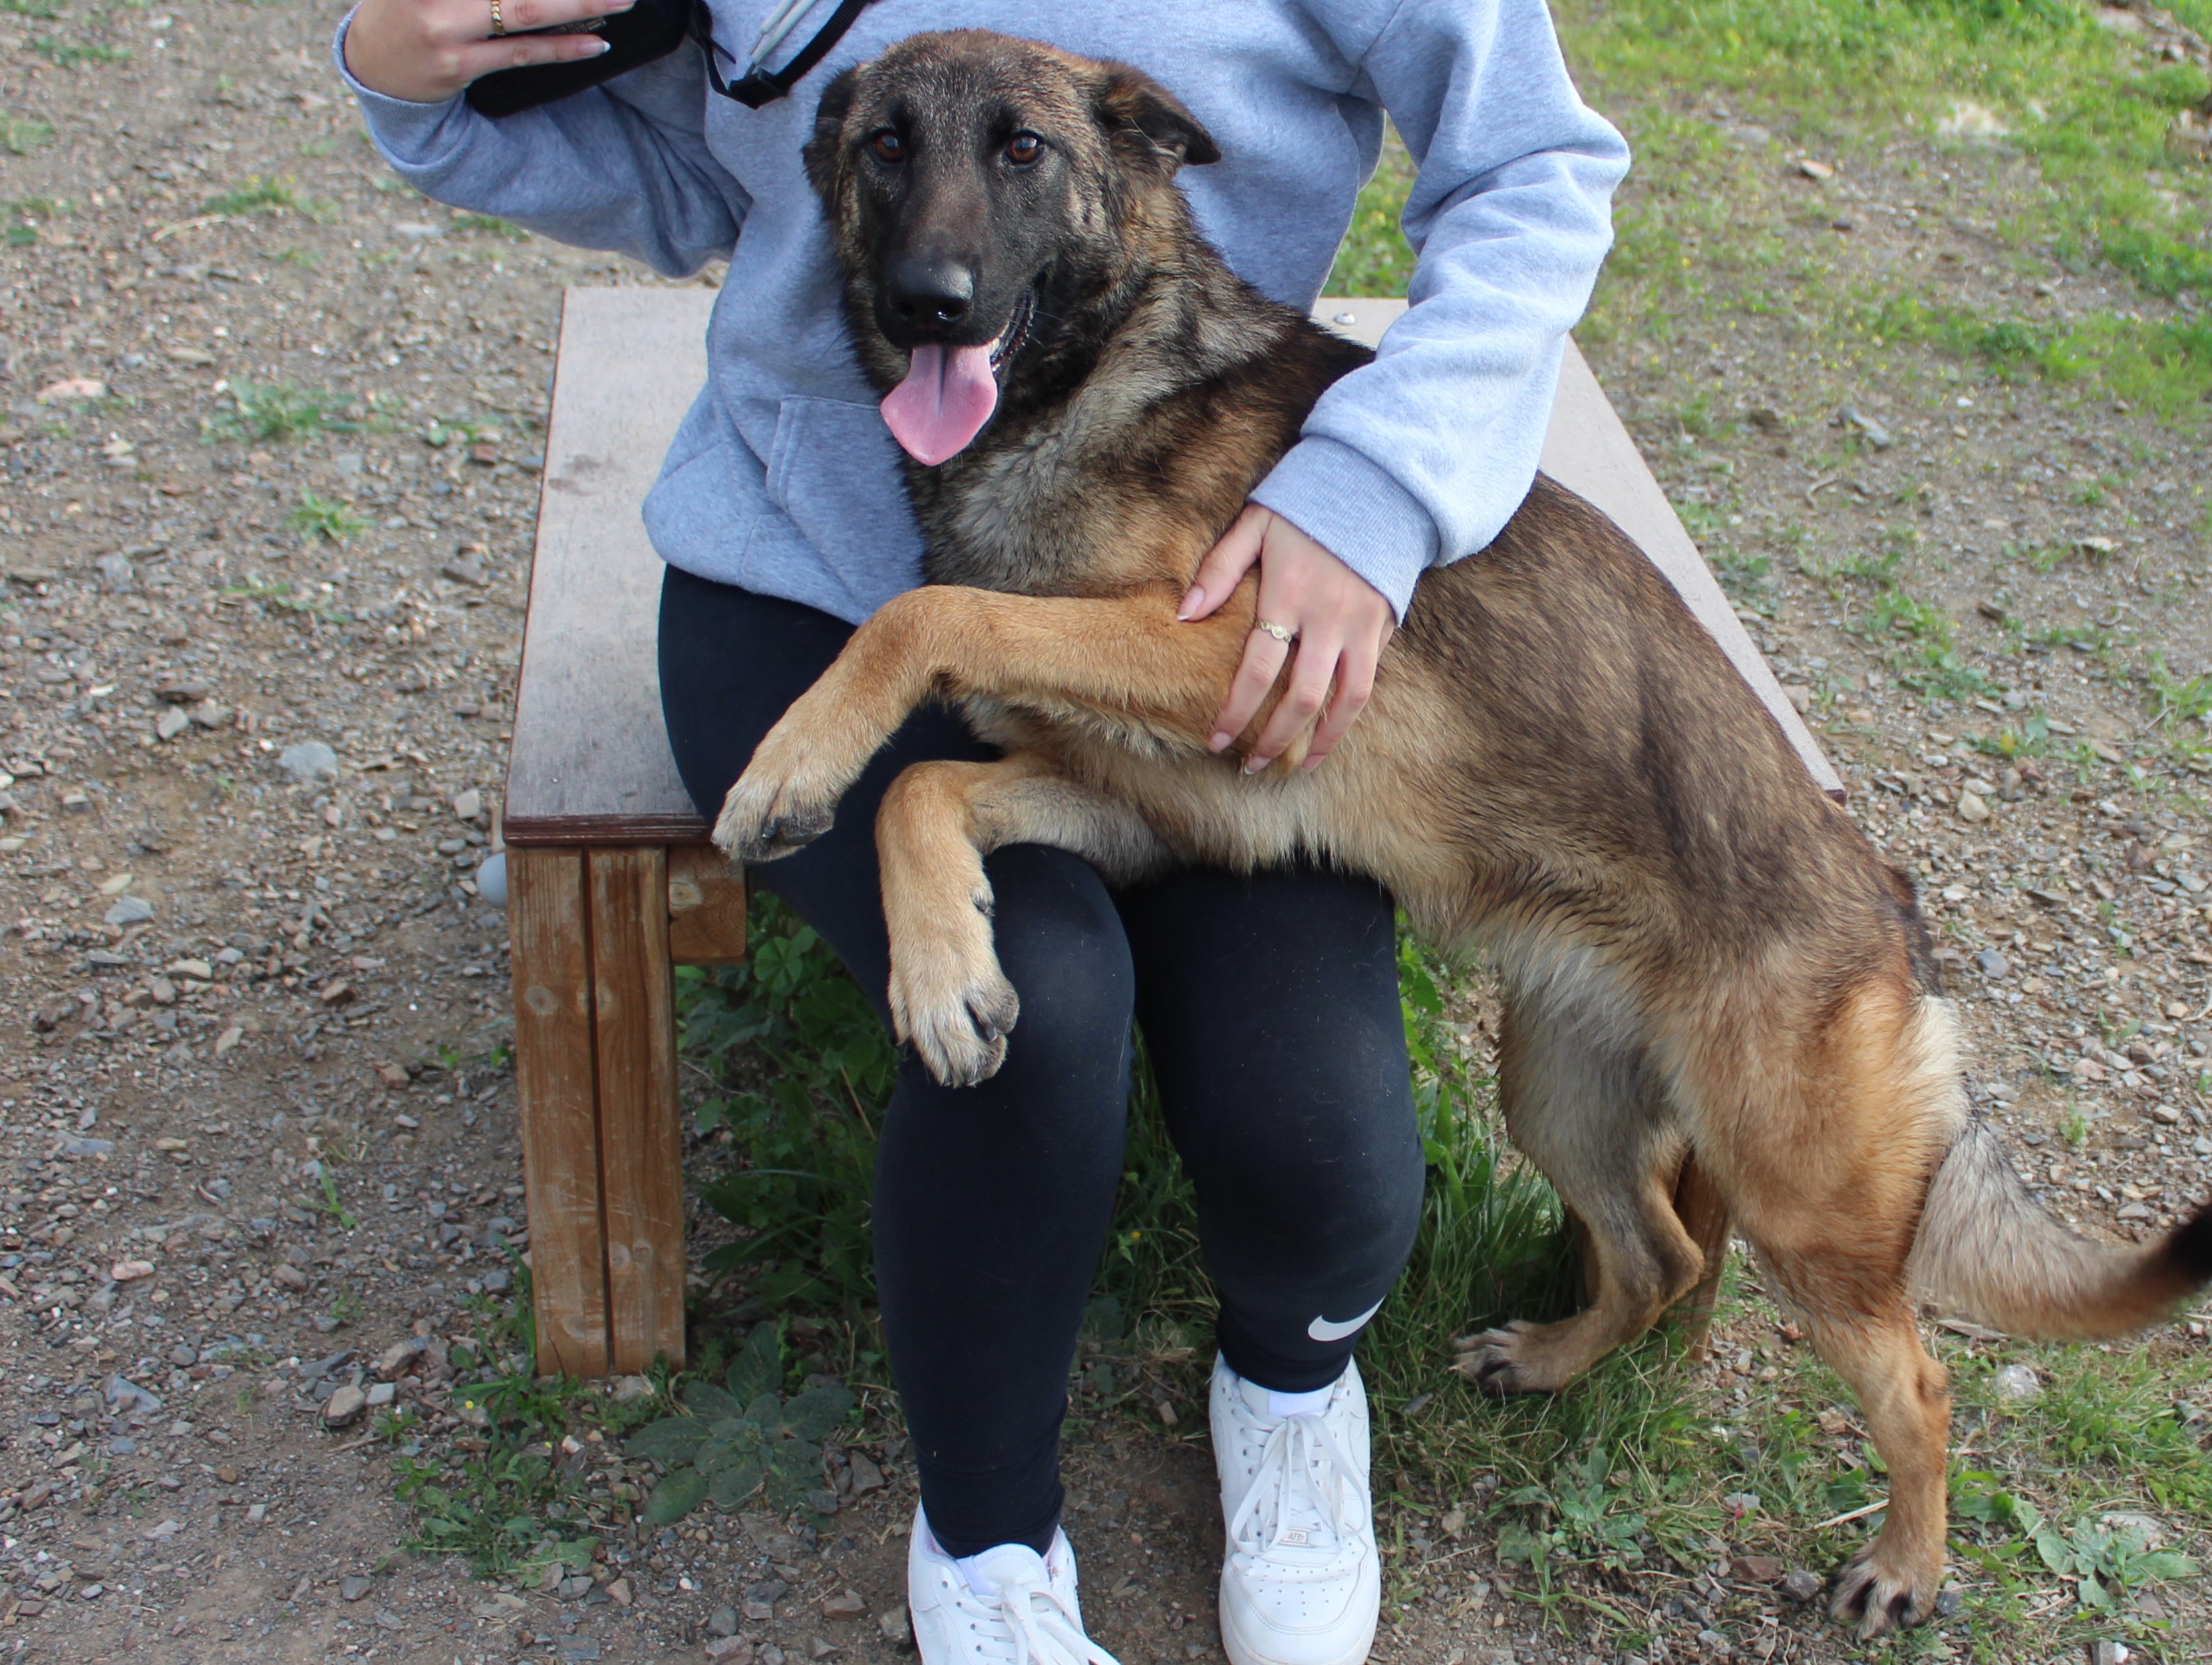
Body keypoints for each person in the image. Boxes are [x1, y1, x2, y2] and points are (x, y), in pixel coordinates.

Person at [336, 3, 1623, 1660]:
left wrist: (1372, 494)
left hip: (1188, 581)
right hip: (810, 581)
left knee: (1318, 1148)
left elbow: (1531, 162)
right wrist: (401, 66)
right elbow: (673, 164)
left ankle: (1292, 1396)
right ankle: (986, 1538)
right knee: (1035, 1017)